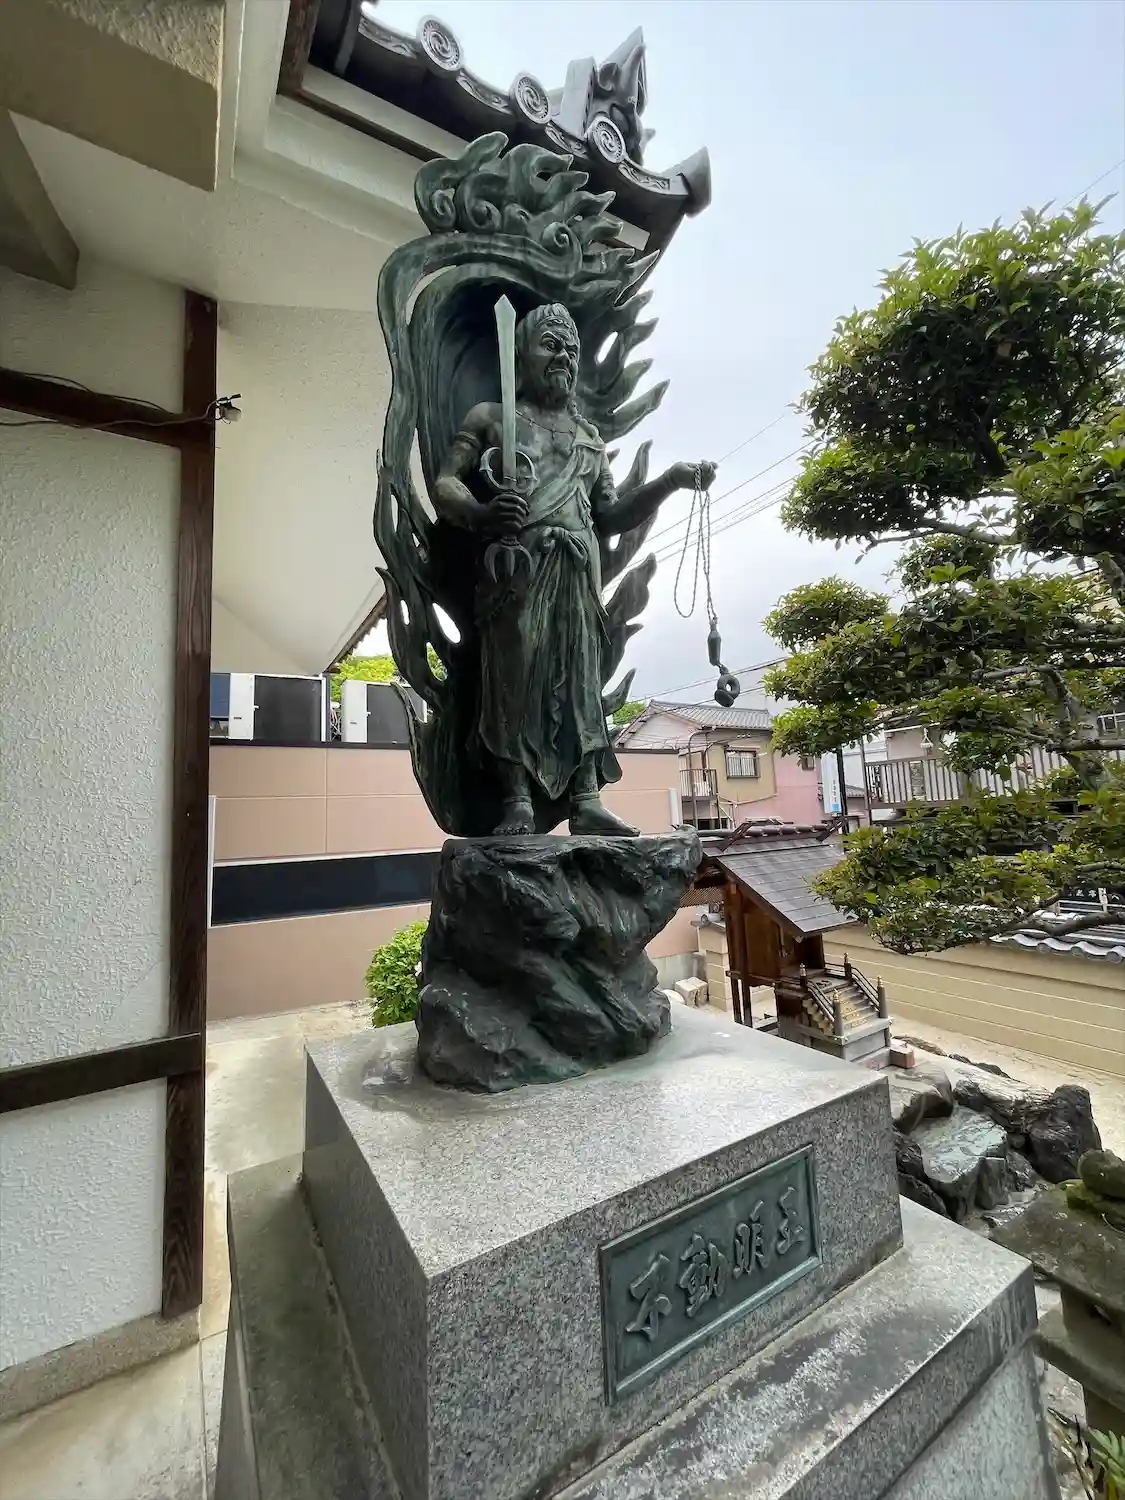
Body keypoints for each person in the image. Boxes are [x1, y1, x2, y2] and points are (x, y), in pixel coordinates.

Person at [434, 301, 716, 836]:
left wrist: (669, 482)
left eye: (570, 348)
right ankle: (516, 796)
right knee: (514, 675)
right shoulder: (492, 418)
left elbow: (609, 516)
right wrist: (482, 513)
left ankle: (586, 796)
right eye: (550, 345)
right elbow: (446, 482)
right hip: (518, 570)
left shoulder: (588, 438)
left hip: (578, 573)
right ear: (523, 354)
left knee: (582, 679)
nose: (562, 356)